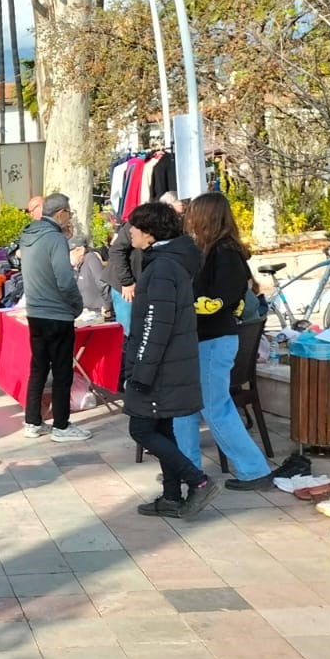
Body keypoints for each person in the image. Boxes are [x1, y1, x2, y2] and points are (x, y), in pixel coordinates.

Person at [171, 192, 274, 491]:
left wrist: (192, 306)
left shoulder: (225, 253)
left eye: (194, 215)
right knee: (187, 407)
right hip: (204, 340)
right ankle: (186, 469)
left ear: (206, 217)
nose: (189, 221)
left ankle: (253, 470)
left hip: (214, 340)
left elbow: (222, 299)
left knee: (215, 407)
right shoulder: (211, 251)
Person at [123, 201, 214, 519]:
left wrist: (140, 372)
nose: (130, 232)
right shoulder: (169, 261)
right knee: (161, 429)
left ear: (149, 233)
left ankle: (198, 481)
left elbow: (154, 326)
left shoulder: (162, 269)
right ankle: (172, 496)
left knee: (142, 429)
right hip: (169, 363)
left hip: (160, 368)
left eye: (134, 226)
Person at [17, 193, 89, 442]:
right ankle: (61, 425)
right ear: (61, 213)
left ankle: (33, 421)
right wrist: (76, 305)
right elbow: (64, 279)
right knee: (61, 371)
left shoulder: (28, 235)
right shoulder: (54, 238)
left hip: (35, 311)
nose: (70, 217)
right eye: (69, 212)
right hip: (57, 314)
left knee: (38, 368)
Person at [68, 233, 112, 321]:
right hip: (82, 312)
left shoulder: (90, 258)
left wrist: (107, 305)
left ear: (80, 250)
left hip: (97, 312)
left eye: (70, 252)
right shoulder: (76, 265)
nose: (68, 255)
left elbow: (102, 282)